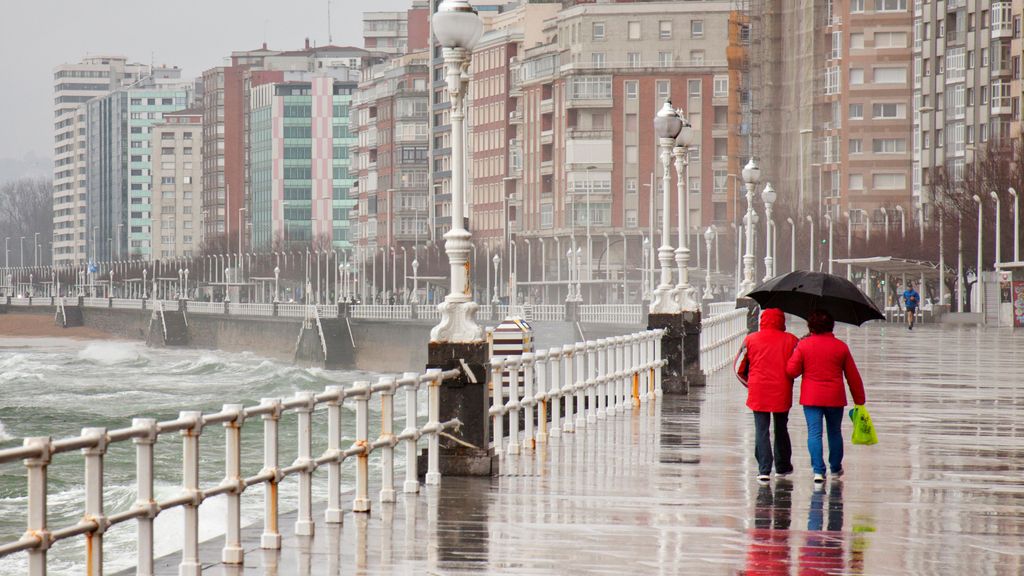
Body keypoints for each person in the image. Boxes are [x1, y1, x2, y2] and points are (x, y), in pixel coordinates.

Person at [786, 309, 866, 484]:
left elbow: (792, 371)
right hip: (835, 397)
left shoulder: (804, 345)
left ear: (811, 326)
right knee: (835, 432)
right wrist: (859, 400)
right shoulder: (840, 347)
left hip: (811, 397)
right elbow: (853, 376)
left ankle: (818, 471)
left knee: (814, 434)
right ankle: (836, 467)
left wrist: (797, 350)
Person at [740, 308, 799, 483]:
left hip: (758, 390)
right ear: (782, 321)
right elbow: (796, 367)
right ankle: (782, 466)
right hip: (782, 389)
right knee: (781, 428)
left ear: (762, 320)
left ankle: (764, 469)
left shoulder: (750, 339)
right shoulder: (791, 340)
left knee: (761, 429)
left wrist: (749, 384)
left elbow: (739, 367)